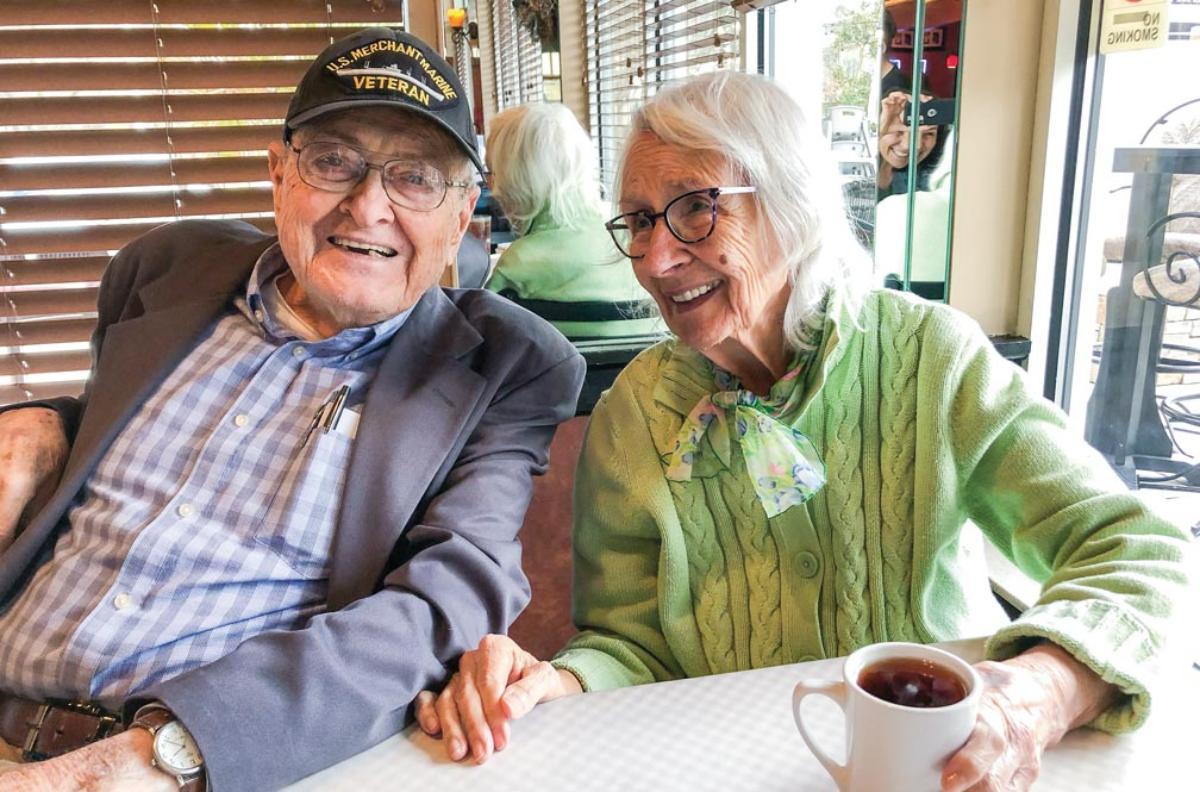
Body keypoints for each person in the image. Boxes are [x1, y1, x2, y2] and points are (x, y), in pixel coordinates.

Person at [415, 71, 1192, 791]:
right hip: (728, 771)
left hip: (945, 767)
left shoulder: (931, 358)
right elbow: (630, 643)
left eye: (695, 207)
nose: (654, 258)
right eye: (642, 220)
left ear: (792, 201)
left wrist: (1041, 692)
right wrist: (558, 679)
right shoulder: (634, 415)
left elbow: (1139, 549)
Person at [0, 27, 583, 792]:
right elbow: (107, 440)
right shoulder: (164, 270)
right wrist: (43, 422)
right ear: (279, 173)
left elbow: (452, 593)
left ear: (462, 213)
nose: (369, 207)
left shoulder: (505, 363)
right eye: (335, 162)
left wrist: (144, 761)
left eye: (414, 178)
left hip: (195, 765)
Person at [483, 102, 661, 339]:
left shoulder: (516, 267)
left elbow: (486, 347)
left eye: (492, 172)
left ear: (514, 180)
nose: (491, 186)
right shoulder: (634, 241)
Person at [877, 88, 949, 199]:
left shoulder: (932, 179)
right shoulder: (854, 168)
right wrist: (876, 134)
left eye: (928, 134)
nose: (916, 146)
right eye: (899, 131)